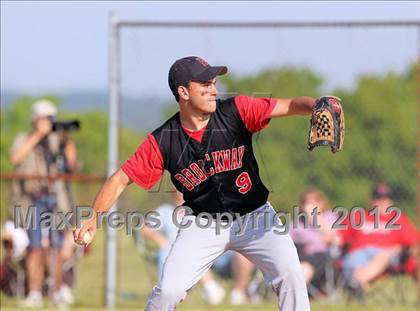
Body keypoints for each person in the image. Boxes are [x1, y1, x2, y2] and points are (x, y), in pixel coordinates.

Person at [75, 56, 322, 311]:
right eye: (205, 84)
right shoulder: (164, 140)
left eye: (214, 83)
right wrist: (93, 216)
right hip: (203, 224)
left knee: (291, 274)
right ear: (183, 92)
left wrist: (315, 105)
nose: (214, 90)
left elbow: (289, 105)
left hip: (255, 216)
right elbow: (120, 179)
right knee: (169, 291)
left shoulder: (236, 110)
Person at [10, 99, 78, 308]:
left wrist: (66, 140)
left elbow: (72, 166)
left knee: (57, 247)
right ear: (35, 119)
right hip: (31, 199)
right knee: (35, 246)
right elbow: (15, 158)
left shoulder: (58, 141)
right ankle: (34, 292)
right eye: (45, 118)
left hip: (56, 198)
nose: (49, 122)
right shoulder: (24, 138)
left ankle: (57, 291)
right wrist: (38, 134)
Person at [140, 192, 225, 305]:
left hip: (197, 249)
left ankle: (209, 288)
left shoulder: (198, 210)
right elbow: (145, 228)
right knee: (171, 251)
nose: (180, 195)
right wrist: (161, 240)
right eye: (177, 193)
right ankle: (208, 288)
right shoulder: (165, 211)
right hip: (171, 248)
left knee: (196, 251)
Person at [338, 183, 417, 297]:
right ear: (371, 201)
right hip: (358, 255)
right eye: (378, 199)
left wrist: (400, 250)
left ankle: (357, 281)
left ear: (391, 202)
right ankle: (359, 287)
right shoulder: (358, 216)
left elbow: (413, 244)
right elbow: (339, 237)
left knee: (386, 253)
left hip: (387, 257)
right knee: (355, 261)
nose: (382, 203)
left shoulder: (398, 219)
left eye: (385, 199)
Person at [290, 188, 338, 291]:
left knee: (304, 267)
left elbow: (333, 237)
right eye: (307, 202)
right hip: (301, 255)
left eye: (316, 200)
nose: (311, 205)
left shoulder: (330, 217)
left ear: (322, 203)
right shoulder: (298, 223)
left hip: (323, 256)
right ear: (302, 206)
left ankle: (297, 292)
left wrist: (315, 217)